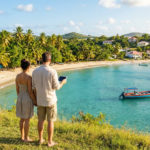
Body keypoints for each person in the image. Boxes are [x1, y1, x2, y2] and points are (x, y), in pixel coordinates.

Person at [32, 52, 67, 147]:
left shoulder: (35, 71)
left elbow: (33, 87)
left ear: (41, 59)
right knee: (50, 121)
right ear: (50, 60)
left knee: (40, 120)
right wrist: (63, 82)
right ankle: (50, 142)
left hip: (40, 100)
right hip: (51, 100)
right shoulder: (52, 71)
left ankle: (40, 139)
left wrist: (35, 99)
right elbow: (56, 87)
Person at [16, 59, 37, 142]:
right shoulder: (29, 77)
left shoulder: (17, 76)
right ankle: (26, 138)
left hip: (20, 97)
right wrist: (35, 101)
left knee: (22, 119)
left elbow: (17, 89)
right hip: (27, 98)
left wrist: (20, 97)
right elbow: (30, 92)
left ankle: (22, 136)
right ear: (28, 67)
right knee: (27, 119)